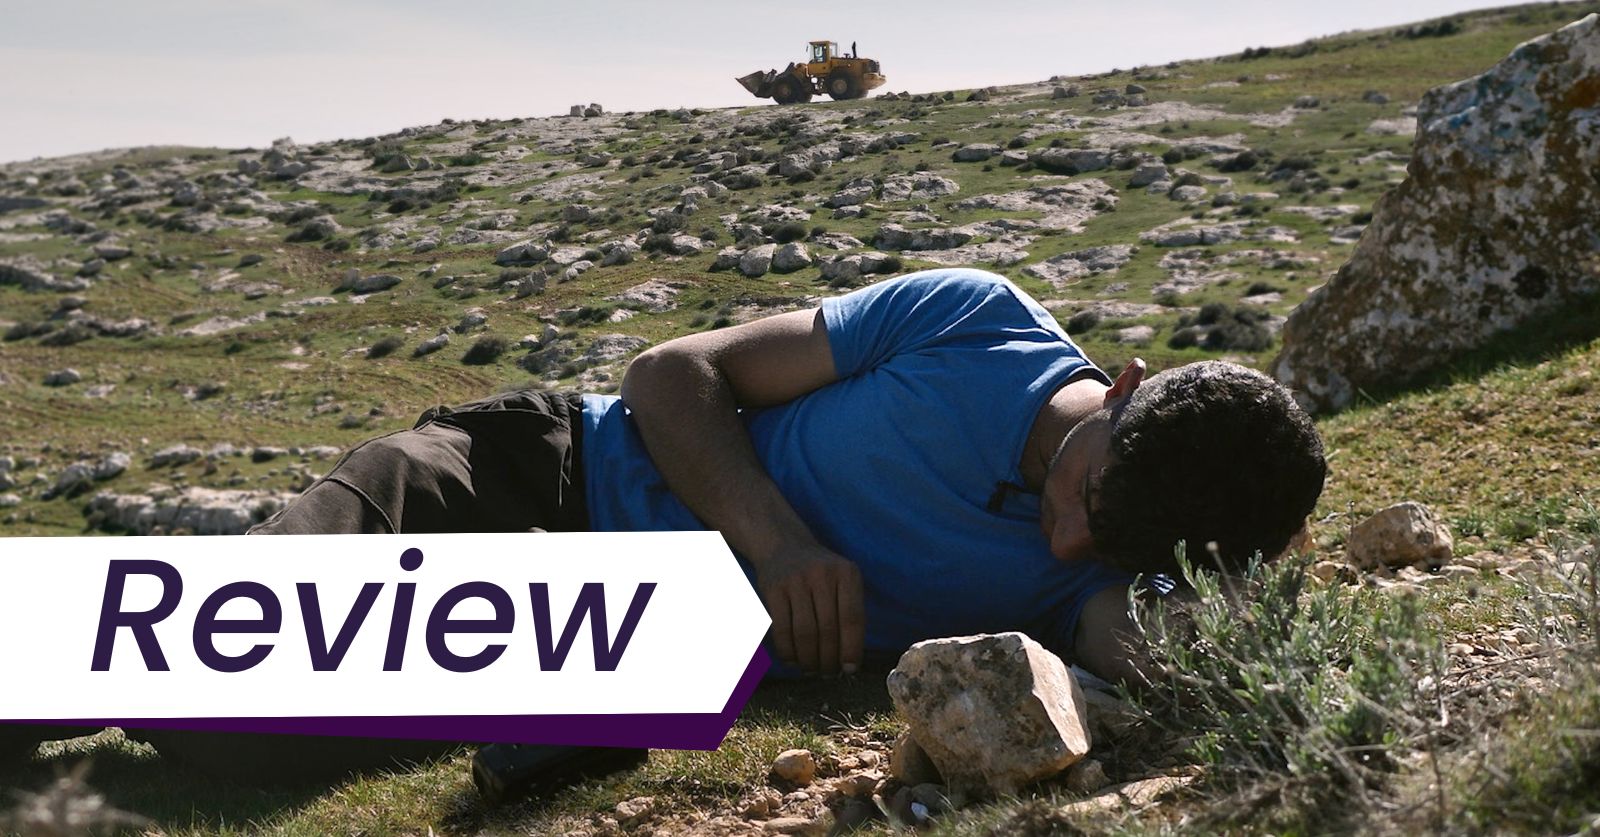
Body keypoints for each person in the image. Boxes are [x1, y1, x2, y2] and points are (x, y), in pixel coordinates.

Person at [2, 268, 1326, 791]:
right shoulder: (973, 321)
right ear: (1131, 385)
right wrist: (776, 537)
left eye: (1116, 546)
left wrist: (1256, 575)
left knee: (220, 736)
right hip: (540, 469)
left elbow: (1173, 657)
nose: (1070, 542)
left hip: (620, 628)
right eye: (1090, 494)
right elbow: (671, 374)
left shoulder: (1104, 566)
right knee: (219, 623)